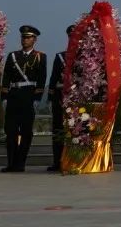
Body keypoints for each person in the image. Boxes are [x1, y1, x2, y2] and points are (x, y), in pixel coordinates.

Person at [0, 25, 47, 173]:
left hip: (29, 95)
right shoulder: (13, 56)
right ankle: (11, 163)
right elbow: (6, 76)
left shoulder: (40, 56)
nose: (25, 40)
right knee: (10, 131)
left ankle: (20, 163)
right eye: (23, 37)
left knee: (26, 132)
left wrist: (37, 99)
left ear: (34, 39)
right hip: (14, 95)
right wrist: (5, 97)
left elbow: (41, 78)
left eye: (28, 37)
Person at [46, 25, 76, 172]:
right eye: (71, 36)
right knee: (58, 129)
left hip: (76, 98)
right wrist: (50, 98)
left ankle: (73, 159)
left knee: (76, 129)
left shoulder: (84, 56)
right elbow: (53, 79)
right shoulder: (60, 56)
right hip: (60, 97)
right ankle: (57, 161)